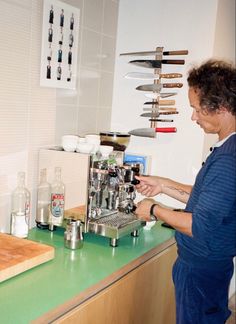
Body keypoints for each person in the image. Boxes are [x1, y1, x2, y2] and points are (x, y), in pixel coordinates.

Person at [134, 59, 236, 324]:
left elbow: (198, 226)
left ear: (221, 107)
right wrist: (164, 185)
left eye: (197, 109)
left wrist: (154, 209)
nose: (194, 117)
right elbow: (208, 202)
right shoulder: (228, 149)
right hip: (210, 268)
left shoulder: (227, 159)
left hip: (201, 271)